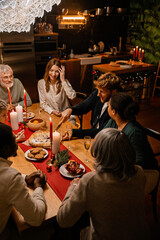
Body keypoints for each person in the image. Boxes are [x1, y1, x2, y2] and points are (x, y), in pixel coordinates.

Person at [57, 128, 151, 240]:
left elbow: (63, 220)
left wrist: (73, 186)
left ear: (99, 154)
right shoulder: (139, 172)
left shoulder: (90, 181)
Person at [0, 123, 47, 239]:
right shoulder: (11, 179)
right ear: (6, 148)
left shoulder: (9, 177)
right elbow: (36, 218)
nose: (16, 141)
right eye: (13, 139)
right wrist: (38, 187)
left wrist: (25, 178)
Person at [60, 72, 122, 139]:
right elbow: (85, 106)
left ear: (113, 92)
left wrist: (74, 132)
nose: (98, 94)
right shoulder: (99, 93)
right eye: (98, 90)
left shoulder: (117, 107)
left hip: (104, 140)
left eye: (102, 92)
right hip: (93, 137)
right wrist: (70, 110)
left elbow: (102, 132)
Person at [105, 92, 158, 169]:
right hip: (122, 166)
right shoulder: (113, 121)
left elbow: (139, 162)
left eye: (108, 105)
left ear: (114, 111)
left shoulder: (134, 132)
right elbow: (102, 137)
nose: (107, 107)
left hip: (144, 172)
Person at [37, 58, 76, 123]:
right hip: (52, 116)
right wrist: (52, 111)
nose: (53, 74)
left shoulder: (64, 82)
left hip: (67, 117)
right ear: (47, 70)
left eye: (57, 71)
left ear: (60, 72)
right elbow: (43, 103)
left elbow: (72, 96)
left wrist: (63, 80)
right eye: (51, 70)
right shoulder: (41, 83)